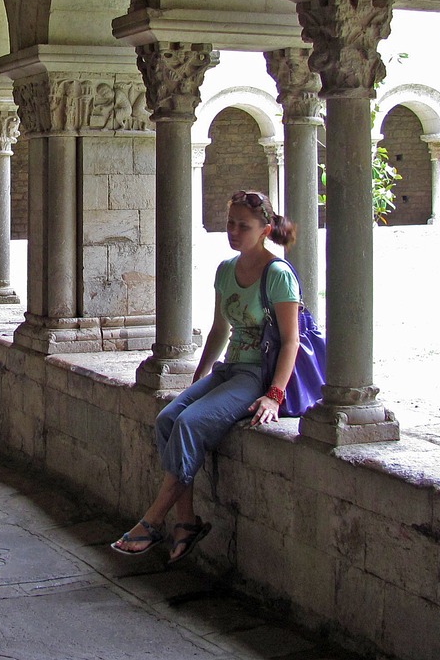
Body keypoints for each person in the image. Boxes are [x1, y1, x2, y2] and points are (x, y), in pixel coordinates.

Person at [111, 189, 301, 564]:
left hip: (256, 376)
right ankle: (186, 521)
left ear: (265, 230)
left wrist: (274, 395)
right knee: (168, 418)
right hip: (228, 369)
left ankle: (152, 522)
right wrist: (197, 382)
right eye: (230, 223)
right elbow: (218, 331)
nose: (233, 231)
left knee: (189, 425)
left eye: (243, 226)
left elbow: (291, 340)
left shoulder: (277, 275)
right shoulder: (226, 270)